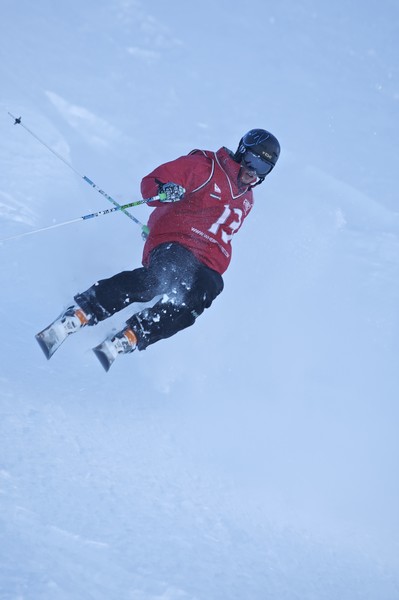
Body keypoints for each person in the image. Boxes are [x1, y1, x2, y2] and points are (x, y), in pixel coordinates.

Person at [40, 128, 280, 370]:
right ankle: (83, 312)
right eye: (252, 160)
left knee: (202, 294)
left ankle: (134, 334)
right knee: (162, 280)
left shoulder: (248, 200)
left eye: (263, 168)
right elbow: (152, 182)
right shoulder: (205, 168)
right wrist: (165, 191)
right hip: (176, 242)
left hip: (208, 264)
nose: (253, 171)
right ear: (241, 152)